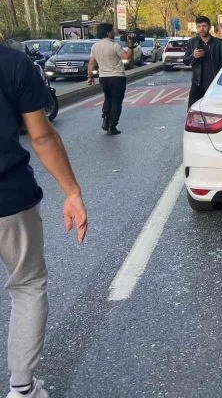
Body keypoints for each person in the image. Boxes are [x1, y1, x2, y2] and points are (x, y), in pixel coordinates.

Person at [0, 37, 88, 398]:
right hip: (9, 198)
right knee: (27, 285)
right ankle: (22, 388)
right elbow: (42, 137)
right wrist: (72, 191)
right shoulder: (13, 64)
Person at [87, 23, 134, 136]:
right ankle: (112, 126)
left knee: (108, 99)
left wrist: (90, 76)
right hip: (117, 77)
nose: (114, 32)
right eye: (112, 30)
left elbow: (92, 63)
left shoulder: (95, 46)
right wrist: (130, 45)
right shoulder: (115, 45)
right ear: (108, 32)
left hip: (103, 78)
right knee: (116, 102)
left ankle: (105, 120)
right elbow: (127, 57)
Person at [183, 16, 222, 107]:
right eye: (199, 26)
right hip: (197, 84)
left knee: (215, 110)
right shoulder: (192, 42)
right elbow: (185, 61)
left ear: (209, 27)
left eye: (204, 26)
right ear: (196, 28)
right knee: (192, 110)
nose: (201, 29)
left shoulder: (220, 43)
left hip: (215, 85)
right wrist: (193, 56)